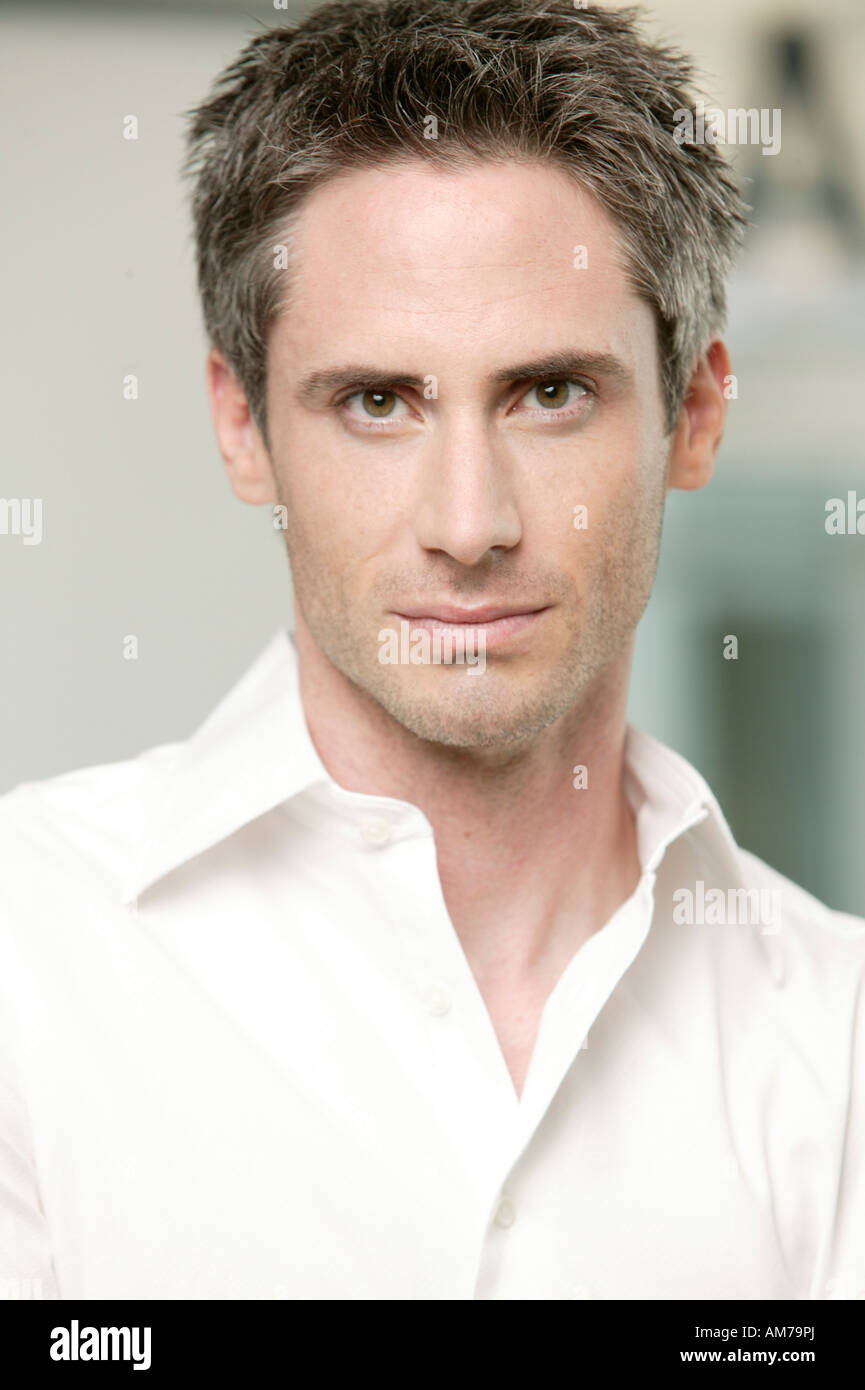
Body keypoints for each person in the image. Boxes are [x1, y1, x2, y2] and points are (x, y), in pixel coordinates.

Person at [1, 0, 863, 1301]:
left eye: (549, 393)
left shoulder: (835, 1040)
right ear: (243, 429)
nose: (469, 526)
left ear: (694, 414)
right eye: (375, 402)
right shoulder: (30, 962)